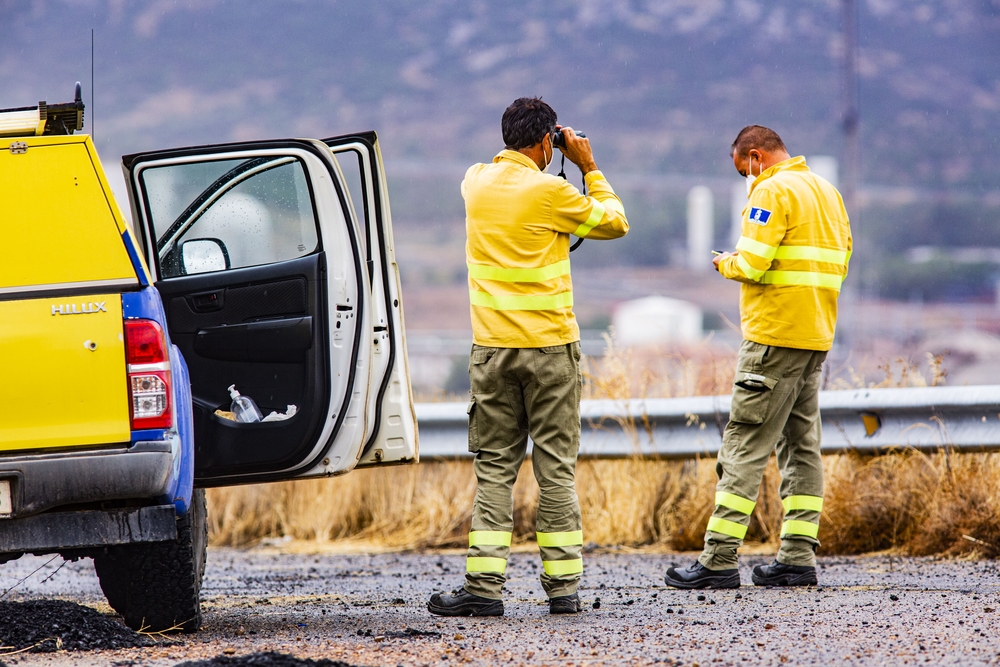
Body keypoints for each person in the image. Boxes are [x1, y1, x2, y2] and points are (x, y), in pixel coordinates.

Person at [427, 97, 629, 617]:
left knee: (495, 469)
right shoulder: (552, 190)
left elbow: (498, 168)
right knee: (555, 470)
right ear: (547, 143)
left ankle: (483, 591)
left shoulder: (474, 181)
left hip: (492, 351)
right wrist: (587, 164)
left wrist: (542, 154)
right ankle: (563, 591)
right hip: (550, 351)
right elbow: (615, 223)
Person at [665, 125, 852, 589]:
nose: (746, 180)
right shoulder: (827, 192)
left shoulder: (771, 189)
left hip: (773, 337)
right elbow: (842, 256)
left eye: (743, 170)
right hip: (814, 334)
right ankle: (797, 558)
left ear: (755, 156)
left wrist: (724, 261)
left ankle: (718, 560)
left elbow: (751, 264)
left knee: (745, 444)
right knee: (802, 447)